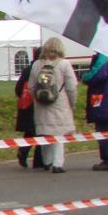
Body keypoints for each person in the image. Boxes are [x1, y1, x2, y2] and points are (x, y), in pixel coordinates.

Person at [27, 37, 77, 174]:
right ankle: (57, 163)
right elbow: (72, 87)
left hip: (41, 105)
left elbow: (31, 86)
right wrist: (72, 103)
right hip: (60, 104)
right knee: (59, 135)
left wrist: (38, 98)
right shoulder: (64, 64)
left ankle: (47, 162)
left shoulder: (37, 64)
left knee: (45, 134)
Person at [81, 52, 108, 172]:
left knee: (103, 130)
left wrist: (85, 77)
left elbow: (98, 74)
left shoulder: (103, 57)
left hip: (103, 98)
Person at [14, 47, 45, 170]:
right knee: (40, 132)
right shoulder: (42, 70)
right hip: (37, 104)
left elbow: (18, 89)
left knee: (30, 132)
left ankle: (23, 151)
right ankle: (38, 160)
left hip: (26, 105)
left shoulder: (27, 69)